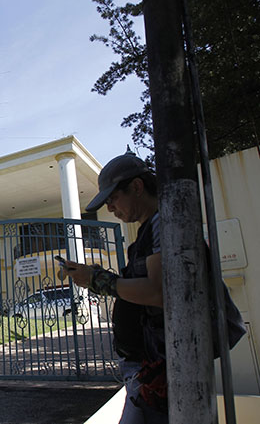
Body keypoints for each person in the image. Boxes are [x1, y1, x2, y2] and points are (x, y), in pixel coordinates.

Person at [60, 151, 169, 424]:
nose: (109, 209)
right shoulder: (148, 229)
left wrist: (97, 280)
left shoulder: (162, 223)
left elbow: (159, 292)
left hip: (161, 368)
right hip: (148, 368)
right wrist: (95, 276)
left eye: (113, 199)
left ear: (136, 187)